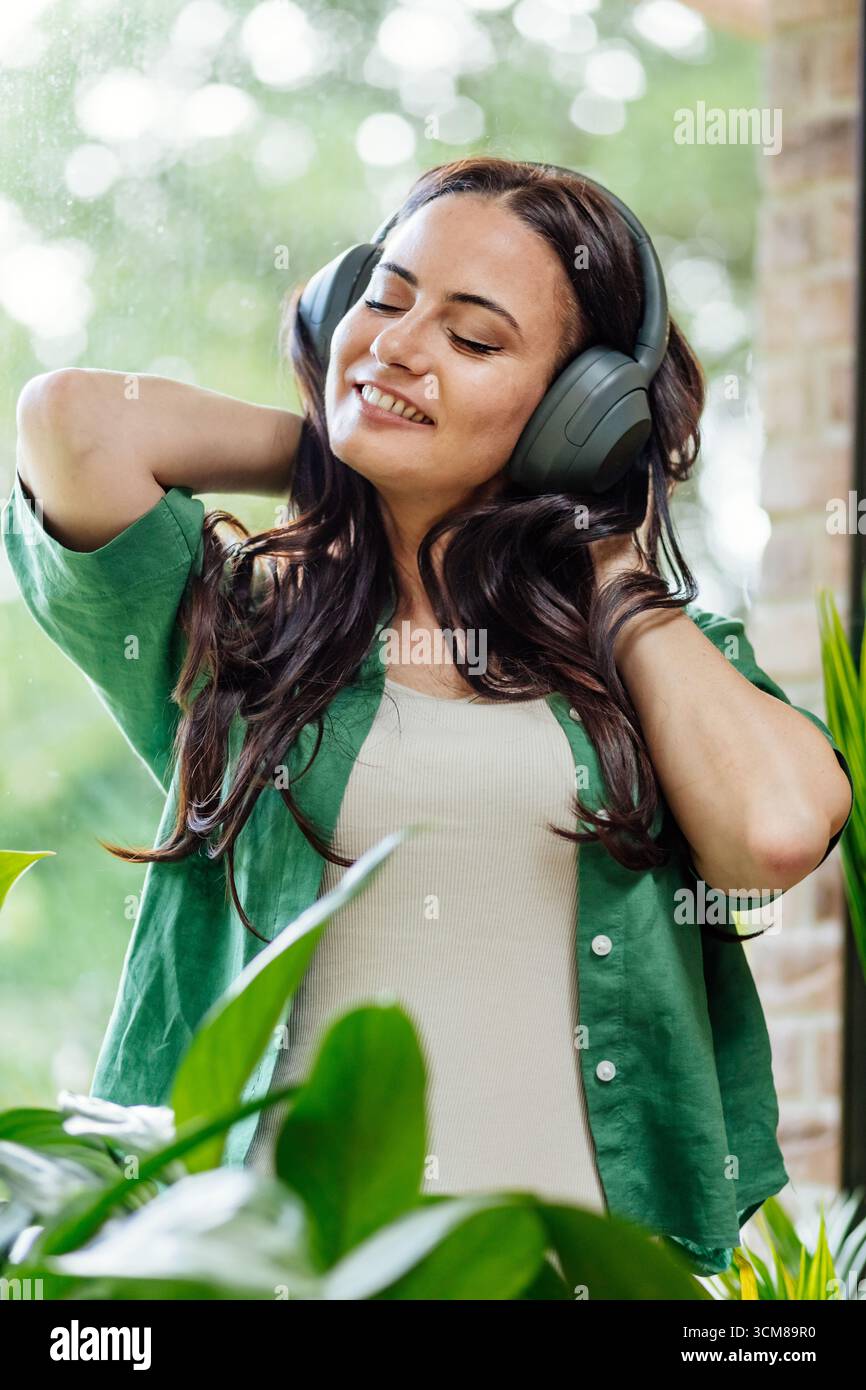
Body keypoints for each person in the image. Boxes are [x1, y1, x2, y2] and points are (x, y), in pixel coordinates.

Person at [4, 156, 853, 1283]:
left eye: (473, 338)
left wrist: (597, 549)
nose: (400, 344)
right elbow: (72, 421)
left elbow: (777, 830)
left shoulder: (651, 666)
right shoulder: (245, 639)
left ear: (576, 414)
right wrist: (346, 447)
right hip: (268, 1280)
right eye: (386, 298)